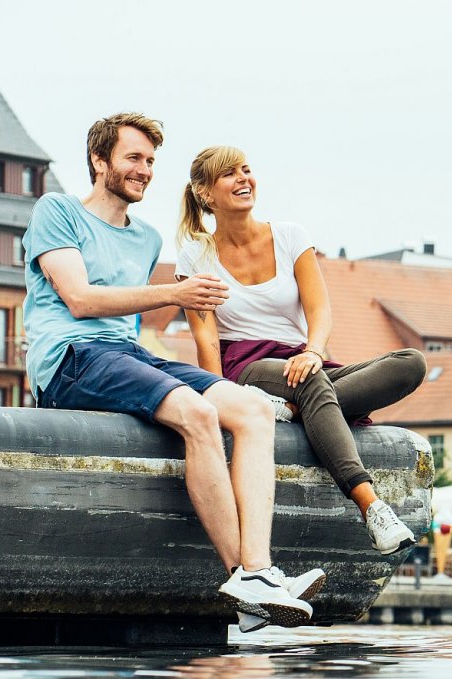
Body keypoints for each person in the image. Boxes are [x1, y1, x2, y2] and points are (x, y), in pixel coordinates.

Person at [24, 113, 315, 633]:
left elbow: (126, 328)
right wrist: (175, 293)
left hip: (125, 353)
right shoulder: (58, 210)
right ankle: (242, 575)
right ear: (99, 161)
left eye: (151, 161)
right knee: (197, 413)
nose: (144, 170)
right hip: (70, 357)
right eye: (133, 158)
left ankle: (261, 572)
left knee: (251, 409)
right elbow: (82, 300)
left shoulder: (147, 238)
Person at [175, 146, 427, 554]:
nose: (243, 179)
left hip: (304, 361)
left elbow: (319, 308)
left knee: (410, 363)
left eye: (246, 170)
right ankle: (372, 506)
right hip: (248, 367)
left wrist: (313, 350)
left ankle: (289, 410)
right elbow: (206, 343)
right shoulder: (195, 257)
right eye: (229, 174)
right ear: (205, 193)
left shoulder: (291, 236)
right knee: (312, 382)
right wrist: (225, 399)